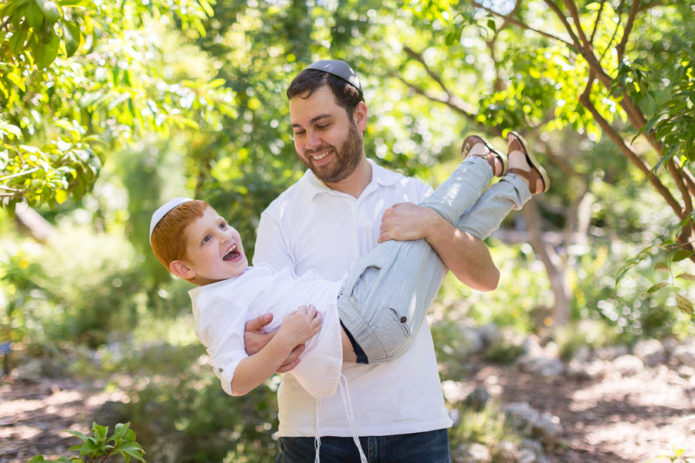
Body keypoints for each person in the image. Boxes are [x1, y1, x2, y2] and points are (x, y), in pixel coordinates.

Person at [244, 59, 549, 462]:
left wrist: (432, 225)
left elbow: (485, 278)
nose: (310, 142)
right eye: (299, 131)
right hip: (316, 434)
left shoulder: (412, 192)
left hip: (413, 428)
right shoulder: (280, 217)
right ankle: (511, 179)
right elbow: (269, 333)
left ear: (360, 115)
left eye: (322, 125)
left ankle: (507, 177)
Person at [148, 141, 543, 400]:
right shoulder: (214, 305)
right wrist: (283, 340)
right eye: (205, 240)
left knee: (438, 237)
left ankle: (518, 183)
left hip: (370, 316)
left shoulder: (238, 284)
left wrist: (274, 342)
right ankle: (480, 163)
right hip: (364, 320)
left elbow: (484, 277)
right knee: (427, 222)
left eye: (220, 225)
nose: (224, 236)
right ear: (183, 268)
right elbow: (234, 381)